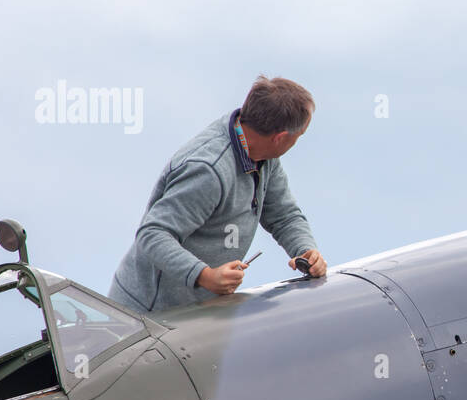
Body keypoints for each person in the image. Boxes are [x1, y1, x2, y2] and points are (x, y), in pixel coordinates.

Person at [109, 76, 328, 313]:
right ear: (280, 138)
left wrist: (305, 250)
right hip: (145, 316)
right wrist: (205, 276)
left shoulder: (263, 155)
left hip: (197, 314)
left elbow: (283, 215)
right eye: (299, 136)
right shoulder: (208, 170)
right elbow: (152, 234)